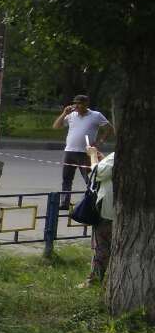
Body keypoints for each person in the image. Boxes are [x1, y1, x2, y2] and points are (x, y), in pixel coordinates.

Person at [52, 95, 112, 208]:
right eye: (75, 103)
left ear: (86, 104)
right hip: (70, 151)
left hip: (85, 152)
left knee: (89, 179)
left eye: (80, 103)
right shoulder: (71, 115)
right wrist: (64, 113)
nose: (77, 106)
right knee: (66, 178)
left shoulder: (95, 115)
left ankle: (94, 201)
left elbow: (109, 129)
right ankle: (64, 202)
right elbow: (56, 126)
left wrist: (100, 142)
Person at [78, 144, 115, 288]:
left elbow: (98, 173)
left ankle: (94, 281)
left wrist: (93, 155)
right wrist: (104, 160)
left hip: (107, 211)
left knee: (101, 246)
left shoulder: (121, 154)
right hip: (118, 210)